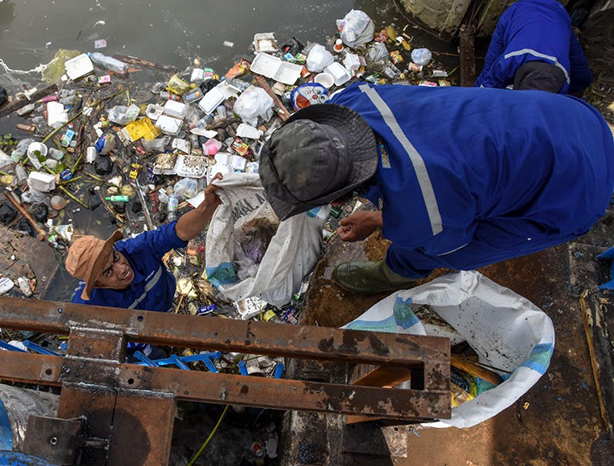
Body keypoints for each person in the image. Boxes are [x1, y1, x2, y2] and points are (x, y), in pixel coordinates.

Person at [258, 83, 614, 294]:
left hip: (579, 188)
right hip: (567, 116)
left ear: (336, 198)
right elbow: (394, 161)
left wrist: (386, 220)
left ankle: (394, 275)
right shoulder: (353, 100)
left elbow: (437, 226)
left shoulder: (422, 206)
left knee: (446, 248)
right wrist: (383, 212)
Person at [65, 175, 222, 313]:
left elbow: (179, 232)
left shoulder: (136, 249)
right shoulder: (88, 306)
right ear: (98, 284)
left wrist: (207, 205)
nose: (122, 269)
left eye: (115, 257)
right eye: (108, 272)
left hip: (165, 303)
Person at [474, 0, 592, 95]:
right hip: (525, 12)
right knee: (490, 69)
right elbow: (485, 87)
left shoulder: (563, 78)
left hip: (559, 15)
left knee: (583, 77)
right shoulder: (510, 60)